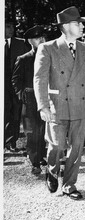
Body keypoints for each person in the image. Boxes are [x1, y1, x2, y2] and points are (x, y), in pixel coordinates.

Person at [34, 6, 85, 200]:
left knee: (76, 148)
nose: (82, 26)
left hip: (81, 106)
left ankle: (69, 184)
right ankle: (52, 169)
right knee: (56, 145)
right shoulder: (47, 48)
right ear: (65, 26)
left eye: (81, 23)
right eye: (77, 23)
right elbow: (40, 79)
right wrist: (43, 106)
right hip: (57, 105)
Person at [12, 25, 47, 175]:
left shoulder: (49, 56)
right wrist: (21, 95)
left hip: (46, 98)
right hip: (30, 98)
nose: (41, 40)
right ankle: (35, 163)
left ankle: (41, 155)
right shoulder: (24, 59)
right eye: (37, 38)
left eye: (42, 37)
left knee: (44, 129)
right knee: (32, 131)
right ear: (30, 41)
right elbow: (15, 79)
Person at [4, 19, 31, 153]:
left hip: (16, 85)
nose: (11, 29)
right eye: (7, 26)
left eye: (12, 26)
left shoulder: (21, 44)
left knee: (15, 113)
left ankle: (11, 141)